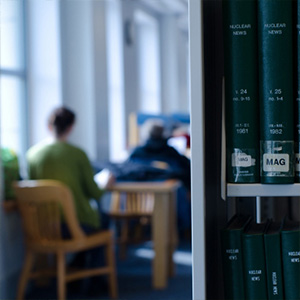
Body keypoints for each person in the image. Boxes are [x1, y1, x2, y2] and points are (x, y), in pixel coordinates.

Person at [27, 106, 113, 293]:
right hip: (73, 225)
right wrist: (104, 184)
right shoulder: (77, 154)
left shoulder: (32, 154)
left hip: (42, 226)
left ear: (49, 126)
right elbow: (94, 193)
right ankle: (96, 279)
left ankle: (77, 270)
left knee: (91, 224)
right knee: (102, 220)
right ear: (71, 127)